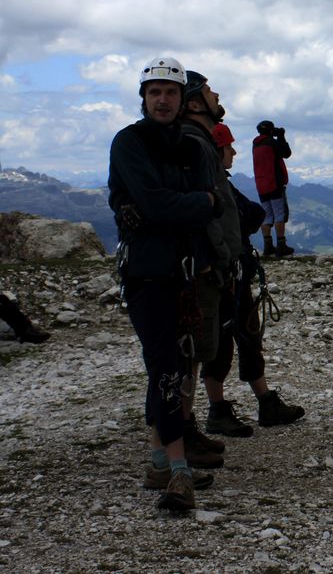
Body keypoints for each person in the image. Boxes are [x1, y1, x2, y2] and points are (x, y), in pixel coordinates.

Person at [107, 56, 219, 511]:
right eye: (155, 92)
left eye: (170, 92)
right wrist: (191, 202)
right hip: (147, 273)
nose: (162, 99)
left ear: (181, 99)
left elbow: (206, 203)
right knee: (167, 369)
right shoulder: (129, 143)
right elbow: (159, 205)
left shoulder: (190, 147)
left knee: (172, 365)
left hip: (184, 271)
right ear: (144, 98)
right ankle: (177, 472)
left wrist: (181, 205)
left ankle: (158, 461)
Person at [202, 123, 306, 437]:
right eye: (229, 148)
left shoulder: (222, 180)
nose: (234, 152)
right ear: (217, 150)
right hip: (224, 274)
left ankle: (264, 402)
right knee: (224, 342)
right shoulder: (214, 186)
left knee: (245, 337)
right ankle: (219, 410)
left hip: (235, 271)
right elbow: (245, 216)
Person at [177, 69, 242, 470]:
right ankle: (177, 438)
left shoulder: (197, 140)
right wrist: (218, 257)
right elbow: (204, 207)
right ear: (196, 101)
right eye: (209, 90)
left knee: (195, 353)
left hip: (207, 263)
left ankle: (185, 431)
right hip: (200, 266)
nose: (217, 94)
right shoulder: (193, 143)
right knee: (187, 356)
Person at [252, 120, 294, 257]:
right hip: (274, 183)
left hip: (261, 185)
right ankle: (281, 245)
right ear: (271, 130)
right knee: (279, 214)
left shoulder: (255, 144)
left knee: (267, 215)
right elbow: (286, 153)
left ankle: (268, 246)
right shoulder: (272, 143)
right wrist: (281, 136)